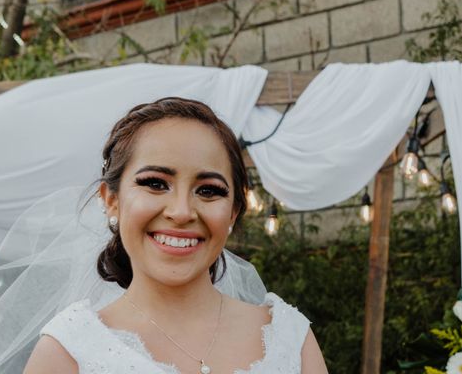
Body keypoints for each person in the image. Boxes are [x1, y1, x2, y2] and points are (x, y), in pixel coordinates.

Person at [24, 97, 329, 374]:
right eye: (155, 184)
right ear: (111, 199)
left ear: (234, 211)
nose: (182, 212)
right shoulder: (68, 352)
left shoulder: (290, 339)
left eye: (208, 190)